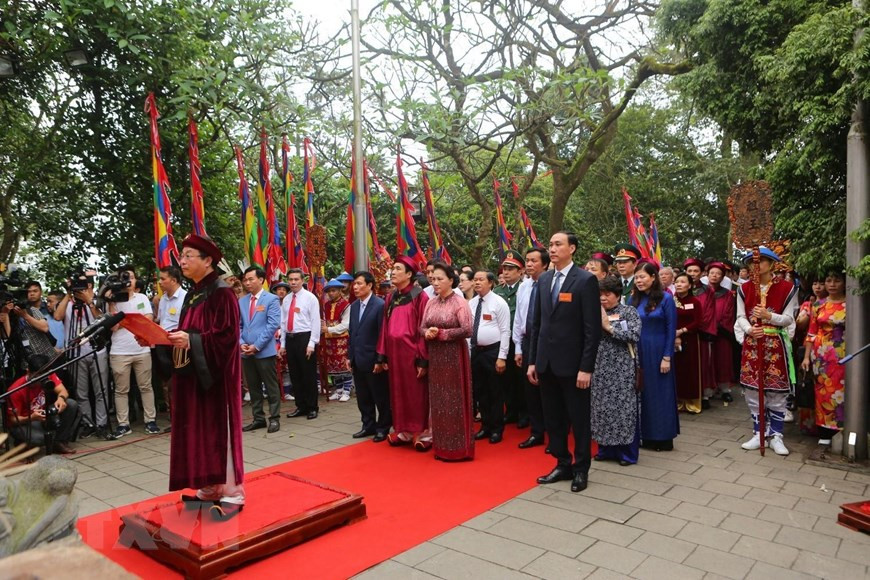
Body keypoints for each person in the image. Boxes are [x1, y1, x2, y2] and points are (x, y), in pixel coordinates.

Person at [169, 234, 245, 520]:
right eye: (183, 255)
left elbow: (226, 337)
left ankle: (233, 491)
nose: (183, 261)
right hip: (193, 375)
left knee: (219, 430)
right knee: (199, 431)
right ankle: (210, 486)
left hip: (216, 377)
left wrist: (190, 341)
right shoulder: (193, 293)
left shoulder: (221, 292)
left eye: (189, 255)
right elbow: (187, 331)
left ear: (208, 260)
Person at [528, 232, 601, 493]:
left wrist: (586, 367)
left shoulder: (585, 281)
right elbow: (538, 324)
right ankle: (562, 463)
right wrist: (533, 361)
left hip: (574, 366)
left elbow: (592, 330)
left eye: (558, 244)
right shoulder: (544, 279)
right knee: (554, 418)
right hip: (546, 364)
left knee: (578, 419)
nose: (553, 248)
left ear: (572, 248)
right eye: (550, 245)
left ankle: (581, 469)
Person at [736, 247, 798, 456]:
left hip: (775, 343)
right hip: (753, 342)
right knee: (753, 389)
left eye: (761, 261)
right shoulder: (744, 288)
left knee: (776, 389)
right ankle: (758, 433)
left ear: (771, 264)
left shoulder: (788, 288)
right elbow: (740, 316)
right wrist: (749, 329)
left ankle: (777, 435)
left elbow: (789, 318)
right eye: (752, 262)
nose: (756, 265)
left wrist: (769, 317)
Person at [376, 256, 430, 448]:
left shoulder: (419, 295)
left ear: (409, 274)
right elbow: (385, 326)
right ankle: (403, 430)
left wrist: (423, 359)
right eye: (393, 268)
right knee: (398, 393)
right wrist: (382, 354)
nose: (393, 271)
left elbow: (424, 327)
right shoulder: (390, 297)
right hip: (395, 354)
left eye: (398, 269)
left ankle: (422, 432)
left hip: (412, 353)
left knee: (416, 393)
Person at [422, 263, 474, 460]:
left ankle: (459, 448)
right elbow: (421, 327)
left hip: (454, 356)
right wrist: (427, 332)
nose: (435, 283)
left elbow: (467, 329)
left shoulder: (460, 303)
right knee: (439, 400)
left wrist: (442, 333)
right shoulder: (431, 302)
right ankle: (441, 446)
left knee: (455, 401)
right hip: (436, 357)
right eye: (433, 279)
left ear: (451, 280)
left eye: (440, 279)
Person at [53, 274, 112, 440]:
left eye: (83, 286)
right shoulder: (68, 303)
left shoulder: (97, 301)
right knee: (81, 392)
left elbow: (102, 319)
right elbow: (57, 316)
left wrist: (89, 300)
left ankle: (102, 424)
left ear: (90, 286)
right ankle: (88, 424)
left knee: (101, 390)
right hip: (75, 353)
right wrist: (68, 293)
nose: (80, 289)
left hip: (96, 350)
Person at [592, 275, 642, 465]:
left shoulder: (629, 312)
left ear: (618, 294)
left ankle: (626, 453)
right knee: (601, 409)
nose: (603, 298)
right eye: (600, 295)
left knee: (623, 410)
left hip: (622, 368)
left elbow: (634, 335)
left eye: (607, 294)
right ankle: (605, 449)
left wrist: (608, 328)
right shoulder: (594, 312)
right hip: (599, 366)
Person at [106, 265, 160, 437]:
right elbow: (113, 327)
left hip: (141, 349)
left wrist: (126, 321)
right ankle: (123, 424)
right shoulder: (114, 300)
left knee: (146, 386)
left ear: (136, 280)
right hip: (119, 351)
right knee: (121, 389)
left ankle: (150, 420)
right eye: (124, 277)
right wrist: (112, 305)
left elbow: (148, 321)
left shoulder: (142, 298)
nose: (128, 281)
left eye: (131, 277)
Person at [632, 260, 679, 451]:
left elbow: (671, 329)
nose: (639, 281)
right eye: (636, 278)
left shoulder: (666, 299)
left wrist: (667, 356)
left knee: (661, 394)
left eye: (642, 277)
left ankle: (663, 437)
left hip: (659, 351)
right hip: (638, 351)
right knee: (643, 394)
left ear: (653, 277)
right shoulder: (634, 299)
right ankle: (646, 435)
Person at [801, 270, 846, 446]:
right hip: (820, 355)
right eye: (829, 281)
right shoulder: (818, 305)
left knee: (841, 392)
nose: (832, 284)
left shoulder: (852, 304)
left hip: (843, 353)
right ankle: (824, 431)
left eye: (836, 281)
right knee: (822, 392)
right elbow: (811, 332)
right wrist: (806, 357)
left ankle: (842, 427)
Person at [513, 246, 550, 450]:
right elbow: (519, 318)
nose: (529, 264)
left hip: (547, 342)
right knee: (530, 389)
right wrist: (518, 347)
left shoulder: (552, 284)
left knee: (548, 388)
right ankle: (536, 432)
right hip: (528, 341)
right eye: (527, 260)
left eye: (533, 261)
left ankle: (553, 433)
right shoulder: (524, 286)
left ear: (544, 264)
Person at [468, 270, 511, 444]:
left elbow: (505, 330)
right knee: (480, 391)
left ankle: (496, 429)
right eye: (475, 280)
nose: (477, 282)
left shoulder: (499, 302)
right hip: (475, 351)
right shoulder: (471, 303)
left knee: (495, 391)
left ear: (491, 283)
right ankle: (485, 426)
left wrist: (502, 357)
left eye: (481, 280)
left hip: (493, 352)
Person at [347, 271, 391, 442]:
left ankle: (383, 427)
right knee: (363, 396)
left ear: (370, 285)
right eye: (354, 284)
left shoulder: (380, 305)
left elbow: (383, 334)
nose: (355, 287)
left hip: (373, 359)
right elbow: (352, 333)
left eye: (359, 284)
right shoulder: (354, 306)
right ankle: (368, 425)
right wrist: (350, 356)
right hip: (358, 358)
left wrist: (381, 359)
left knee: (380, 396)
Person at [239, 266, 283, 434]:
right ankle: (258, 418)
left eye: (251, 279)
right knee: (253, 386)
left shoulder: (271, 299)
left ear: (261, 280)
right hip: (246, 352)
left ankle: (274, 418)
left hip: (264, 351)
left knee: (271, 386)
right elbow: (239, 326)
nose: (247, 283)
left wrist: (256, 346)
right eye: (245, 280)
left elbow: (272, 325)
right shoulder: (242, 301)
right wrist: (241, 342)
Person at [6, 354, 79, 454]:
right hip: (25, 421)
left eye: (43, 376)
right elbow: (12, 420)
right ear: (28, 372)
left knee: (71, 404)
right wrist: (31, 417)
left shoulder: (48, 375)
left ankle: (59, 442)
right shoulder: (15, 390)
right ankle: (21, 442)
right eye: (37, 376)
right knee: (41, 439)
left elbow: (63, 391)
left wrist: (61, 399)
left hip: (42, 415)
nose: (41, 380)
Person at [281, 269, 322, 420]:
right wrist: (283, 344)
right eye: (290, 279)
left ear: (302, 280)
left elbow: (315, 322)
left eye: (296, 279)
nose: (293, 282)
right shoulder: (286, 299)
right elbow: (283, 322)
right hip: (291, 338)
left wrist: (312, 343)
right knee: (295, 374)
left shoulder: (310, 298)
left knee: (308, 374)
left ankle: (312, 407)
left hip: (305, 338)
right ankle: (301, 406)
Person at [494, 249, 527, 428]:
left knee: (520, 379)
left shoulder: (525, 289)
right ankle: (511, 411)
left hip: (518, 342)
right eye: (504, 268)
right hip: (501, 342)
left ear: (520, 272)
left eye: (510, 268)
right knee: (505, 379)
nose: (505, 272)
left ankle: (523, 412)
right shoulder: (497, 290)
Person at [154, 265, 186, 424]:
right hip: (162, 345)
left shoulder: (185, 298)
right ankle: (174, 417)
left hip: (178, 346)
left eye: (163, 279)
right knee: (167, 384)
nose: (160, 282)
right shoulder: (163, 299)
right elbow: (161, 321)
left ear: (174, 280)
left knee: (179, 383)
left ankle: (184, 417)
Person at [684, 257, 718, 410]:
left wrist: (698, 327)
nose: (692, 274)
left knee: (703, 363)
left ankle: (703, 395)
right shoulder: (680, 289)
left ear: (701, 273)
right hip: (683, 333)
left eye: (696, 271)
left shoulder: (707, 290)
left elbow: (709, 312)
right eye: (689, 271)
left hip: (700, 332)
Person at [673, 273, 704, 413]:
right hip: (672, 338)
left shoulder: (695, 301)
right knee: (677, 370)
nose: (679, 284)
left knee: (691, 370)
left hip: (690, 339)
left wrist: (682, 331)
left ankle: (693, 402)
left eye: (683, 282)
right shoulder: (670, 300)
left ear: (690, 285)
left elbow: (698, 321)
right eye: (677, 281)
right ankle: (678, 401)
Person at [707, 262, 736, 403]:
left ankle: (725, 389)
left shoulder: (728, 295)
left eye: (718, 274)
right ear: (707, 275)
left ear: (722, 277)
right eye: (712, 273)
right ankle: (708, 391)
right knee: (707, 362)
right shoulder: (701, 292)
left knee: (723, 361)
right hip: (705, 333)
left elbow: (729, 314)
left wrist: (717, 327)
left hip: (722, 333)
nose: (714, 276)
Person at [322, 278, 353, 402]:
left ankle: (347, 390)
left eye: (334, 290)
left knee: (344, 365)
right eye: (329, 291)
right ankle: (338, 390)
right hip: (329, 340)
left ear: (340, 291)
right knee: (333, 365)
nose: (331, 293)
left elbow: (346, 324)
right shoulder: (326, 305)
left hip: (342, 339)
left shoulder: (346, 305)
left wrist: (328, 329)